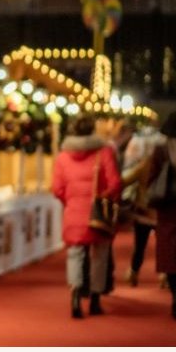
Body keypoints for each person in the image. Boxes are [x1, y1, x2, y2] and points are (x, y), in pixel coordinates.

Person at [52, 113, 122, 318]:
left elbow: (57, 188)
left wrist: (70, 201)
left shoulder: (63, 156)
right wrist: (106, 198)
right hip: (97, 213)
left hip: (73, 212)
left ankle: (75, 296)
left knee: (75, 255)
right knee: (99, 255)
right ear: (92, 131)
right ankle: (95, 299)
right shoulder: (104, 152)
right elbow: (115, 182)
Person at [147, 111, 176, 320]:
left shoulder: (160, 151)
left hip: (166, 209)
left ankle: (175, 293)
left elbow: (150, 180)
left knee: (169, 255)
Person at [121, 124, 162, 287]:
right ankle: (164, 275)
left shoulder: (144, 164)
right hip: (161, 210)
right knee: (163, 245)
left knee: (140, 245)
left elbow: (127, 179)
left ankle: (134, 272)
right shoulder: (167, 163)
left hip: (143, 210)